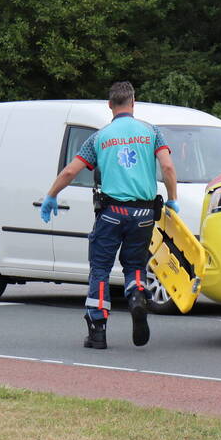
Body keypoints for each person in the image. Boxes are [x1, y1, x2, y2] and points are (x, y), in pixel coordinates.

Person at [38, 82, 178, 349]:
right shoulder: (152, 132)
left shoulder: (100, 138)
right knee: (135, 266)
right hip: (144, 214)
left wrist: (51, 195)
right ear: (133, 102)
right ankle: (137, 296)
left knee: (100, 270)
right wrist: (173, 200)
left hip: (111, 213)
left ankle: (98, 331)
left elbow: (70, 172)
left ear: (110, 105)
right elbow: (168, 167)